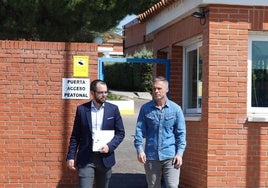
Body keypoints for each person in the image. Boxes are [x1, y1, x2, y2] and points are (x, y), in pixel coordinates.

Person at [66, 79, 125, 188]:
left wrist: (110, 146)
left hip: (105, 158)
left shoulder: (113, 110)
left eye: (106, 92)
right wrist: (71, 156)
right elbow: (75, 135)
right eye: (101, 92)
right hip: (86, 158)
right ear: (92, 93)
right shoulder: (82, 110)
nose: (104, 95)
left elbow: (120, 133)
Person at [134, 76, 186, 188]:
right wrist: (139, 150)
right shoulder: (145, 109)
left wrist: (179, 154)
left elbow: (181, 134)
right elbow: (139, 130)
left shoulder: (176, 109)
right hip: (151, 156)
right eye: (154, 89)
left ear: (166, 89)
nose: (156, 91)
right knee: (153, 186)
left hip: (171, 156)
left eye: (159, 88)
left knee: (172, 185)